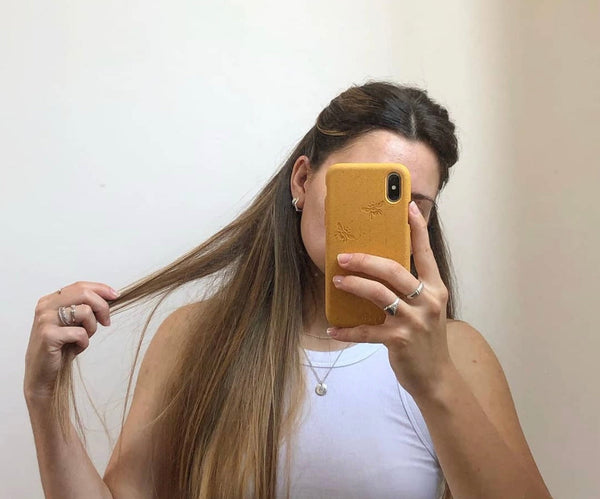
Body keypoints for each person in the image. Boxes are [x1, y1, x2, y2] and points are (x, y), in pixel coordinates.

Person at [24, 81, 552, 499]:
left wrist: (435, 381)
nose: (383, 221)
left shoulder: (457, 353)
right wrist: (44, 400)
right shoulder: (194, 336)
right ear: (303, 180)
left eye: (412, 205)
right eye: (362, 191)